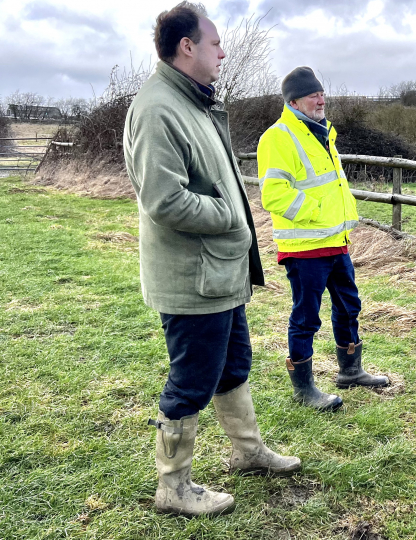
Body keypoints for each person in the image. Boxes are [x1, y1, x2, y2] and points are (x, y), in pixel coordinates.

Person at [123, 1, 300, 517]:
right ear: (187, 46)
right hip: (193, 278)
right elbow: (164, 199)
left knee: (232, 364)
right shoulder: (159, 108)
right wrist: (230, 214)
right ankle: (172, 487)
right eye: (215, 42)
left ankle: (248, 452)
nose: (223, 52)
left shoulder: (192, 102)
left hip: (220, 272)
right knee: (192, 379)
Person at [257, 67, 389, 412]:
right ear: (294, 101)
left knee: (349, 307)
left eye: (321, 93)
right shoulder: (279, 136)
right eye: (313, 94)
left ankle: (350, 371)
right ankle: (304, 389)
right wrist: (316, 211)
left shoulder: (322, 133)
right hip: (305, 247)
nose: (321, 99)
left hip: (335, 242)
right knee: (306, 317)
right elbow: (274, 194)